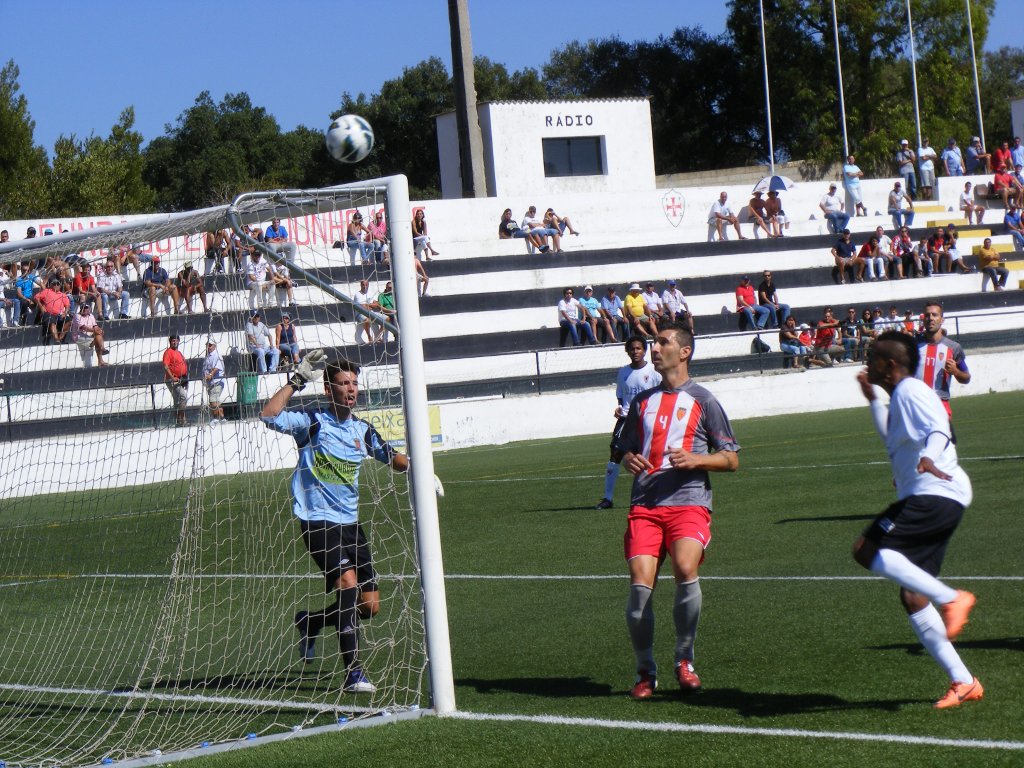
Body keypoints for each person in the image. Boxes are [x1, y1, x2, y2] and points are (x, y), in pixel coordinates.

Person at [260, 353, 426, 692]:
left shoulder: (361, 430)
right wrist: (296, 381)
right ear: (328, 389)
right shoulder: (312, 423)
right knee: (348, 585)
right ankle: (353, 673)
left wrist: (422, 468)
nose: (351, 389)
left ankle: (311, 621)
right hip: (318, 522)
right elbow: (269, 415)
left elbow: (393, 458)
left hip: (351, 526)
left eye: (354, 383)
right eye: (343, 383)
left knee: (369, 606)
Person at [853, 331, 981, 709]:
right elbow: (891, 438)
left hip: (935, 493)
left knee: (865, 549)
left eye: (873, 357)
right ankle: (964, 681)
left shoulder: (911, 390)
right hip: (937, 496)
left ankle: (953, 598)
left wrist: (929, 456)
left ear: (890, 365)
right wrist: (872, 399)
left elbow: (940, 427)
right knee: (912, 594)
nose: (867, 361)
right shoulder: (899, 397)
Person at [617, 320, 740, 699]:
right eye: (653, 343)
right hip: (645, 505)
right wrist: (628, 459)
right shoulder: (642, 402)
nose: (654, 348)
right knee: (640, 588)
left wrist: (697, 460)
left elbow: (731, 458)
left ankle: (684, 660)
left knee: (686, 568)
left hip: (689, 503)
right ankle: (645, 671)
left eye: (662, 342)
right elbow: (625, 449)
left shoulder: (704, 400)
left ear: (684, 352)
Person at [596, 336, 662, 510]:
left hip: (647, 418)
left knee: (651, 454)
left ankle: (655, 496)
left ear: (644, 350)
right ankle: (607, 498)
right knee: (615, 453)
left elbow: (661, 394)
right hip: (626, 419)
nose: (635, 352)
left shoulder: (654, 371)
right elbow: (621, 396)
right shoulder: (623, 372)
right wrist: (619, 407)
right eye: (632, 349)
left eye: (638, 348)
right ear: (627, 351)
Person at [916, 302, 970, 426]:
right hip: (917, 405)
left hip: (940, 405)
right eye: (927, 315)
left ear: (942, 319)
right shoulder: (912, 346)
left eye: (934, 315)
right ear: (923, 319)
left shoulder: (954, 348)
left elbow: (967, 378)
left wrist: (955, 371)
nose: (930, 318)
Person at [163, 333, 188, 428]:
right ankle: (182, 419)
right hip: (172, 379)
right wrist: (173, 378)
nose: (175, 342)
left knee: (177, 400)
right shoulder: (168, 352)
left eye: (176, 340)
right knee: (183, 396)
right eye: (173, 341)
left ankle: (178, 420)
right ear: (170, 342)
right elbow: (166, 366)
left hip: (181, 379)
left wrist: (185, 379)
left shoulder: (179, 352)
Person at [202, 339, 226, 424]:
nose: (208, 347)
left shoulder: (216, 355)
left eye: (210, 345)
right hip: (210, 383)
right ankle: (222, 418)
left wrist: (210, 374)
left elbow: (217, 367)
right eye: (207, 345)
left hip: (217, 381)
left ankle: (215, 418)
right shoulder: (208, 356)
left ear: (214, 346)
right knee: (216, 401)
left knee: (213, 400)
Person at [353, 279, 379, 345]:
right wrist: (371, 305)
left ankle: (379, 337)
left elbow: (377, 304)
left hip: (371, 313)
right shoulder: (357, 295)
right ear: (360, 285)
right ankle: (369, 336)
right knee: (367, 320)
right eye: (363, 285)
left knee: (385, 319)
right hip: (360, 314)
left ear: (368, 285)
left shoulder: (371, 293)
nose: (365, 286)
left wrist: (368, 305)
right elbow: (362, 307)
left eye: (366, 285)